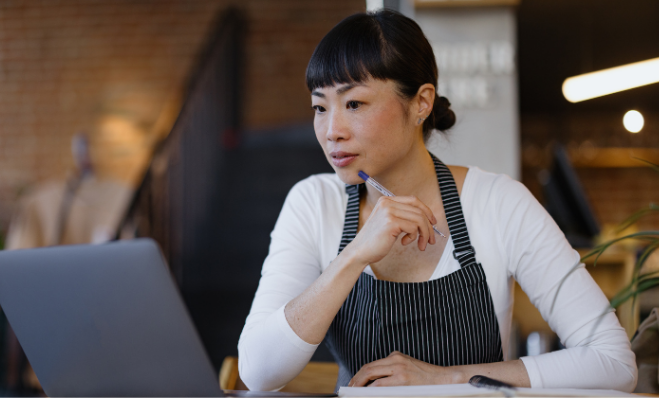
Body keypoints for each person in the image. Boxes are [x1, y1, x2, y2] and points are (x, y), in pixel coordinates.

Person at [237, 9, 637, 392]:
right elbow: (259, 371)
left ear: (421, 103)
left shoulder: (499, 202)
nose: (331, 130)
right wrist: (354, 255)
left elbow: (614, 363)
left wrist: (446, 379)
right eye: (320, 107)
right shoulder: (312, 203)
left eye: (354, 103)